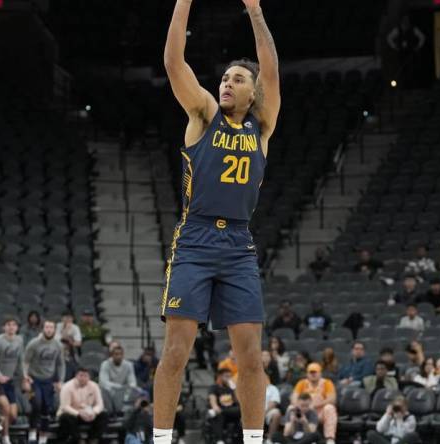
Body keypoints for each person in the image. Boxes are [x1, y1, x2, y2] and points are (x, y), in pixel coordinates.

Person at [154, 0, 281, 441]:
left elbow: (272, 70)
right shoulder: (204, 113)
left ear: (253, 93)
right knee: (176, 351)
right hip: (195, 238)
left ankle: (252, 439)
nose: (227, 83)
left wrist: (256, 11)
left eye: (238, 79)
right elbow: (174, 62)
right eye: (225, 77)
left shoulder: (261, 127)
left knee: (250, 357)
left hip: (239, 245)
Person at [24, 320, 65, 444]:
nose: (49, 330)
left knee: (47, 408)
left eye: (51, 327)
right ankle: (32, 431)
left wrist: (60, 381)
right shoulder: (34, 343)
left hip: (49, 380)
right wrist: (25, 376)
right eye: (47, 327)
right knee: (36, 404)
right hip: (34, 379)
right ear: (43, 329)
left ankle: (43, 436)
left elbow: (61, 364)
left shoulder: (58, 345)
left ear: (54, 330)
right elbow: (25, 361)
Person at [0, 316, 28, 444]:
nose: (11, 327)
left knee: (12, 415)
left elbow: (21, 360)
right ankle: (5, 438)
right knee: (5, 408)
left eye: (13, 325)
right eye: (8, 325)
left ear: (17, 328)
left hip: (10, 381)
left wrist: (24, 377)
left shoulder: (19, 340)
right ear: (4, 327)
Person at [57, 368, 107, 444]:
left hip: (89, 414)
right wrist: (79, 414)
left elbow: (100, 404)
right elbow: (65, 406)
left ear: (89, 377)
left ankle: (93, 439)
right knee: (65, 417)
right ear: (76, 376)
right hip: (73, 414)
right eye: (81, 375)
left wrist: (94, 412)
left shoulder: (94, 386)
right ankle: (79, 440)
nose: (83, 378)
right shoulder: (67, 387)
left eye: (86, 376)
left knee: (103, 415)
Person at [291, 363, 337, 444]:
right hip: (305, 412)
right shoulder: (301, 383)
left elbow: (332, 399)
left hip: (320, 412)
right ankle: (291, 436)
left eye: (315, 372)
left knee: (329, 408)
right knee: (291, 407)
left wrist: (315, 405)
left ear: (320, 373)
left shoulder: (327, 383)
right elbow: (294, 397)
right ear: (307, 374)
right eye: (310, 372)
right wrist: (300, 407)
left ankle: (330, 438)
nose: (313, 374)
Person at [208, 368, 242, 444]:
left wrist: (235, 389)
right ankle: (219, 440)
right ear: (219, 376)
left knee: (241, 410)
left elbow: (238, 402)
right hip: (221, 413)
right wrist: (214, 406)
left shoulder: (230, 388)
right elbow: (212, 398)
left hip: (232, 412)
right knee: (218, 415)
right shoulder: (214, 387)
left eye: (230, 376)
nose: (229, 379)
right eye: (226, 376)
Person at [265, 378, 283, 444]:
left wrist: (262, 414)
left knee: (276, 413)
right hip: (253, 412)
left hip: (266, 412)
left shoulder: (272, 388)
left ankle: (269, 439)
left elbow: (274, 403)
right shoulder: (252, 386)